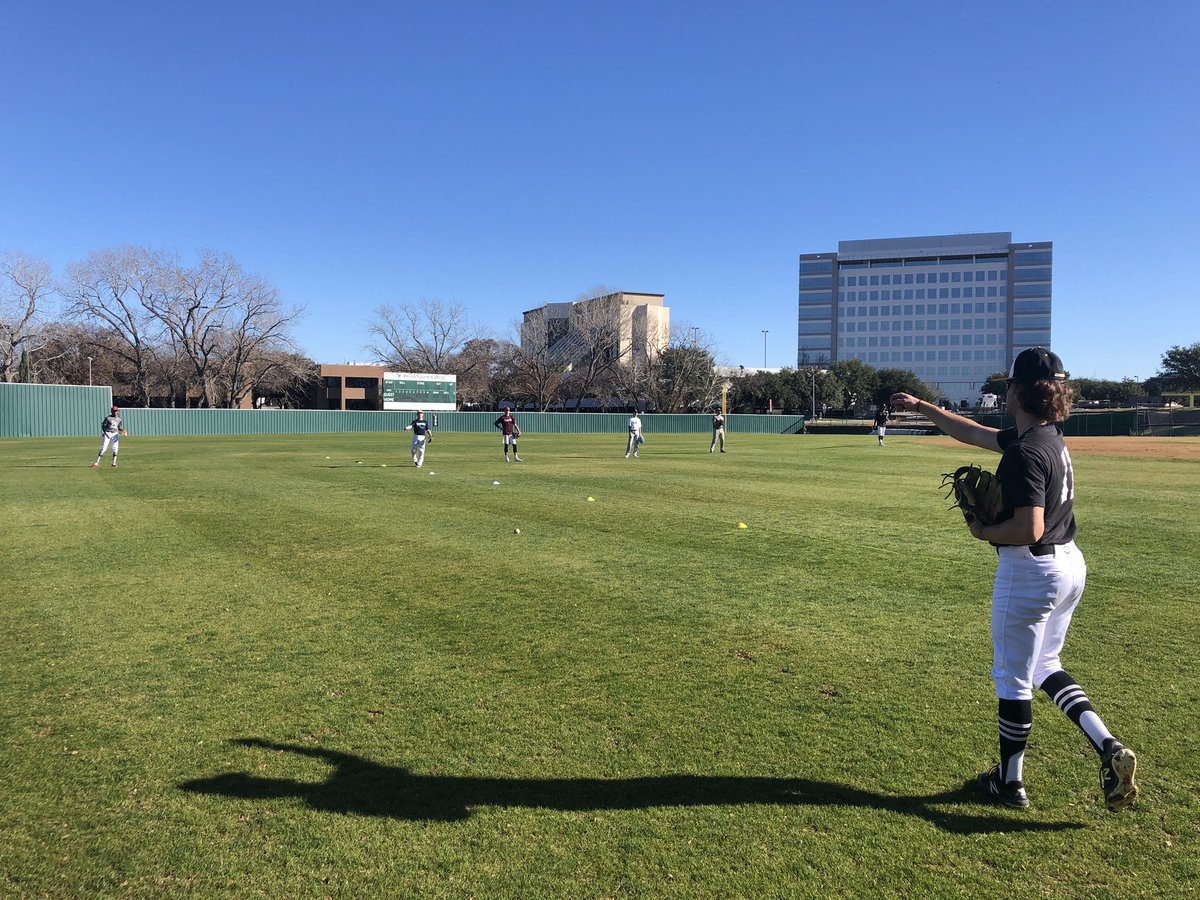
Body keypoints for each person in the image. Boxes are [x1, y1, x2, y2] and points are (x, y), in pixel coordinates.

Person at [890, 348, 1138, 812]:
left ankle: (1009, 783)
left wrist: (983, 531)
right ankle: (1107, 745)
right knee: (1045, 665)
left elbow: (1028, 527)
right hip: (1069, 565)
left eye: (1008, 385)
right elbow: (972, 432)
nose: (1005, 392)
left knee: (1012, 679)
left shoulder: (1025, 452)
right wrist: (922, 407)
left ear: (1018, 391)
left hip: (1030, 570)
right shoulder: (1047, 436)